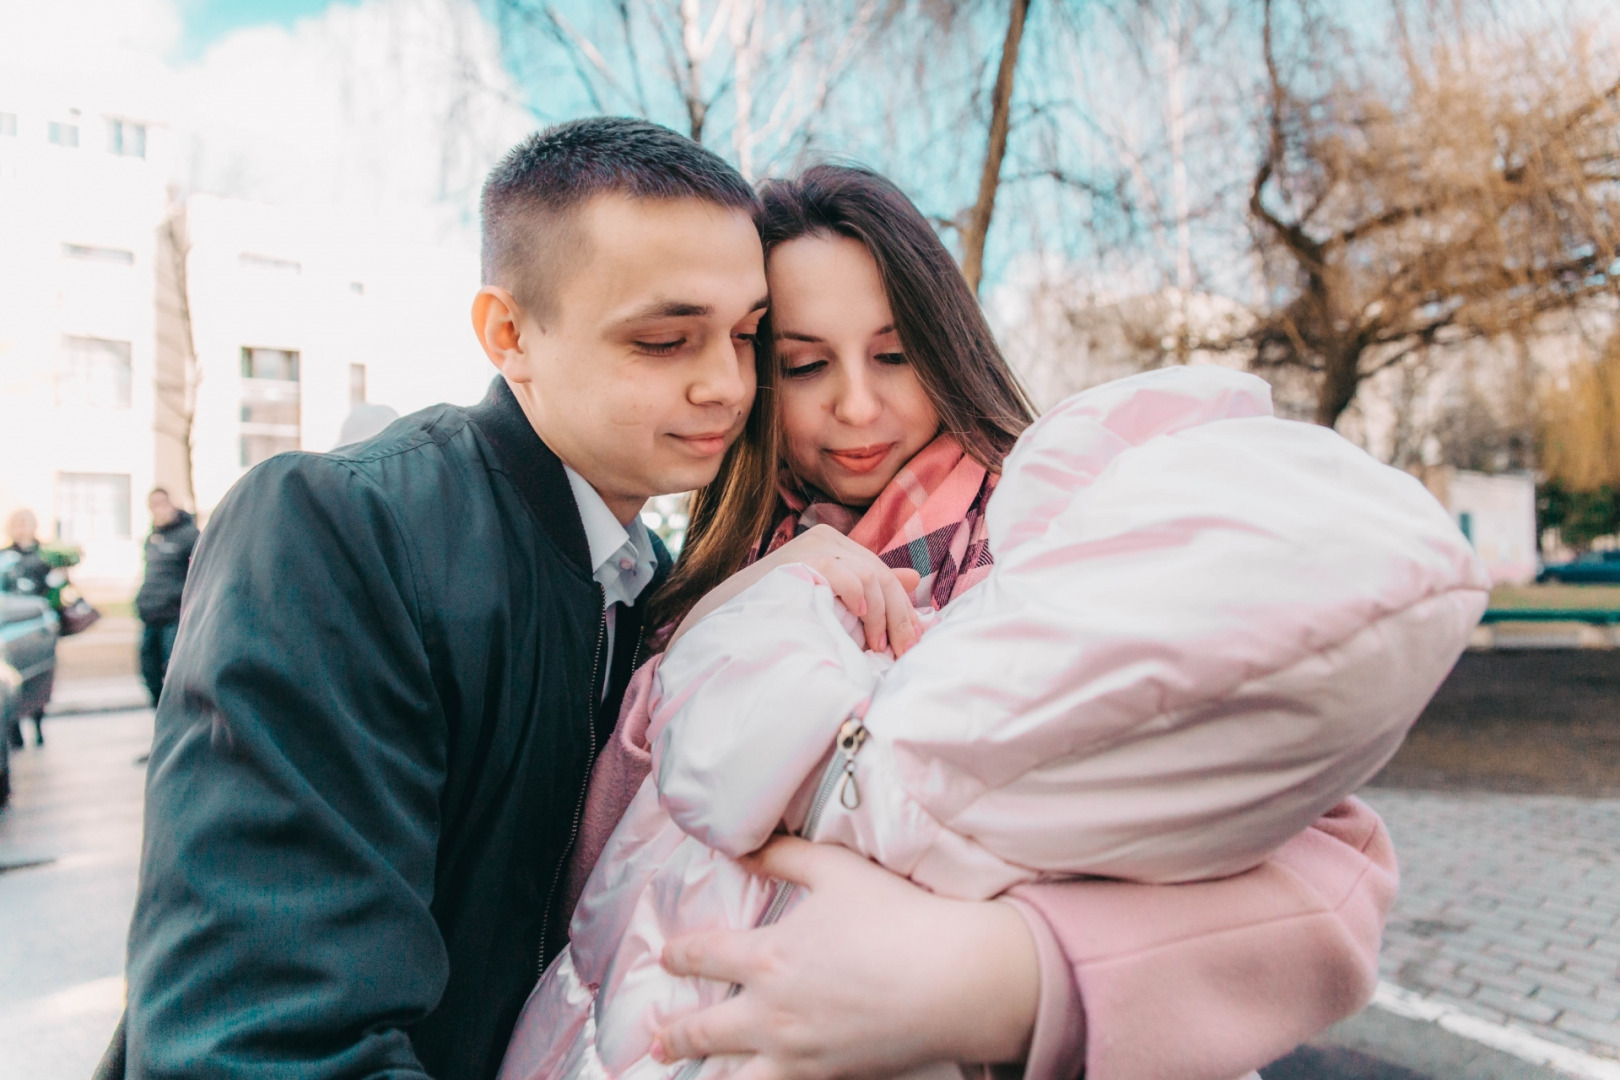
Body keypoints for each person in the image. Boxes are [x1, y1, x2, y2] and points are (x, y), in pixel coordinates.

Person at [522, 166, 1410, 1080]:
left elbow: (1329, 870)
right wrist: (719, 619)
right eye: (805, 364)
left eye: (895, 354)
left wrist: (1006, 978)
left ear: (948, 347)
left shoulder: (1061, 535)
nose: (857, 407)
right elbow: (598, 889)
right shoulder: (725, 566)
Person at [133, 488, 199, 707]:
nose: (159, 509)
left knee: (173, 666)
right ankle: (158, 706)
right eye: (154, 505)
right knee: (148, 667)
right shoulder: (152, 537)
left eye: (162, 503)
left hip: (174, 614)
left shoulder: (189, 535)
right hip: (151, 613)